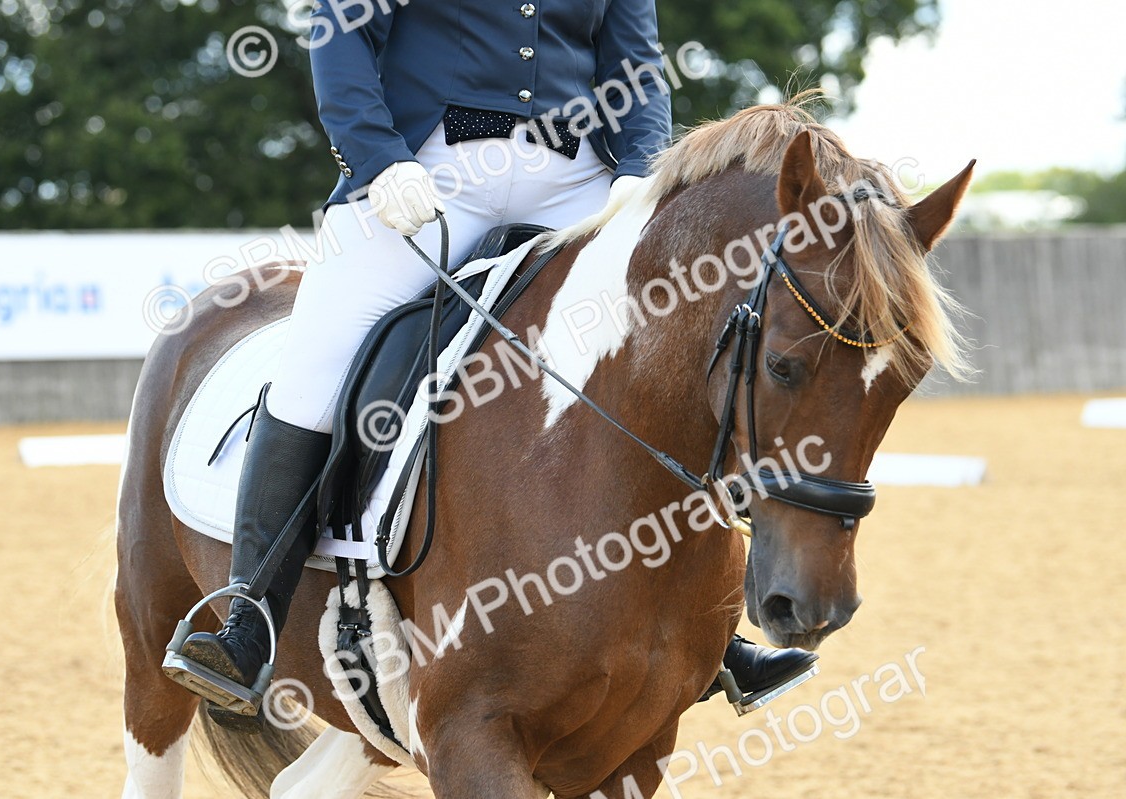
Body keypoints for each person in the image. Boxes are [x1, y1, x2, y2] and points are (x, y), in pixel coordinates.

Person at [169, 0, 816, 730]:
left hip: (577, 184)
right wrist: (377, 159)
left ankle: (713, 629)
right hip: (431, 171)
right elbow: (341, 33)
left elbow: (635, 65)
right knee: (317, 369)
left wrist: (638, 169)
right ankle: (251, 616)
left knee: (667, 355)